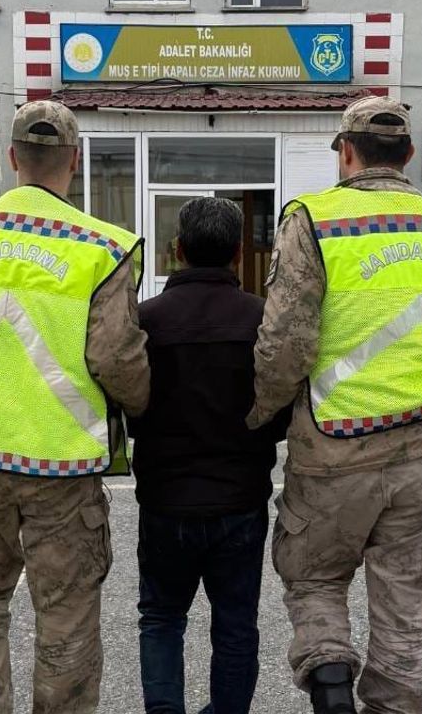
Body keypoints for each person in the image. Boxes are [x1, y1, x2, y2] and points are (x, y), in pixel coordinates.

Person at [246, 96, 422, 714]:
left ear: (346, 152)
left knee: (314, 576)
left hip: (336, 445)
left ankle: (330, 681)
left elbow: (286, 342)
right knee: (405, 608)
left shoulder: (313, 220)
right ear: (409, 154)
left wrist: (261, 414)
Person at [0, 100, 150, 714]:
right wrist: (143, 407)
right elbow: (117, 360)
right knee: (66, 614)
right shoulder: (101, 248)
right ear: (74, 161)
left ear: (11, 159)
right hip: (61, 461)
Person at [128, 197, 291, 714]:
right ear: (238, 253)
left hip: (165, 500)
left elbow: (128, 403)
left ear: (177, 250)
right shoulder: (262, 320)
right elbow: (280, 407)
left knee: (161, 618)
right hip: (239, 500)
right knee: (236, 624)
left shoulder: (145, 321)